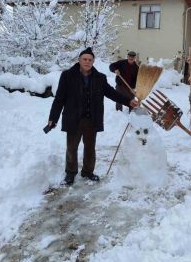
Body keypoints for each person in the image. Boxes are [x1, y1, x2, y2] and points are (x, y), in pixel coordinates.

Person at [48, 47, 139, 185]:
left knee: (90, 147)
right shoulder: (67, 76)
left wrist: (128, 101)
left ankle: (88, 171)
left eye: (90, 60)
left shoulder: (100, 78)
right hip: (73, 118)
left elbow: (111, 93)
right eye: (84, 59)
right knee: (72, 147)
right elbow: (59, 99)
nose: (87, 62)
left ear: (93, 62)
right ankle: (70, 172)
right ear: (79, 60)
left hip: (92, 119)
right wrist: (53, 118)